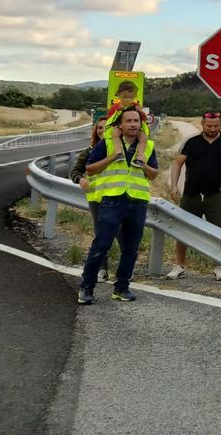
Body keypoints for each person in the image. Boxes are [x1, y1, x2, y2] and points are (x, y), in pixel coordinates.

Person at [76, 107, 159, 304]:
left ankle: (122, 288)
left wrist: (143, 164)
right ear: (120, 125)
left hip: (137, 202)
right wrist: (113, 156)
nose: (132, 124)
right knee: (101, 245)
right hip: (112, 201)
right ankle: (86, 288)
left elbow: (154, 174)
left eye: (136, 121)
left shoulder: (148, 147)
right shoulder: (106, 144)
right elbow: (90, 168)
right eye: (128, 121)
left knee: (131, 248)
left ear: (141, 125)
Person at [166, 110, 221, 281]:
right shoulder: (191, 142)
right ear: (202, 125)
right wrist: (174, 186)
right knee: (183, 230)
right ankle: (180, 265)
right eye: (209, 126)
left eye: (216, 126)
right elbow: (177, 163)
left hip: (216, 194)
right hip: (192, 193)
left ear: (220, 124)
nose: (213, 129)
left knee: (220, 233)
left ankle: (219, 267)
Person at [71, 117, 110, 283]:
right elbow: (75, 172)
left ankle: (125, 269)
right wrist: (80, 179)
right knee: (100, 235)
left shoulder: (119, 150)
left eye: (106, 127)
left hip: (117, 197)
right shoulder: (89, 151)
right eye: (99, 128)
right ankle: (102, 269)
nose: (102, 131)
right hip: (96, 199)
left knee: (122, 233)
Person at [105, 80, 150, 168]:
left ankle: (140, 156)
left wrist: (140, 111)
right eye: (125, 97)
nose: (128, 100)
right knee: (115, 133)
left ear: (134, 96)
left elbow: (143, 118)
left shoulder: (136, 106)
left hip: (133, 130)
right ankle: (118, 152)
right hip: (118, 127)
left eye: (131, 97)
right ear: (119, 95)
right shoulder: (115, 107)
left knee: (143, 136)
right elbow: (109, 119)